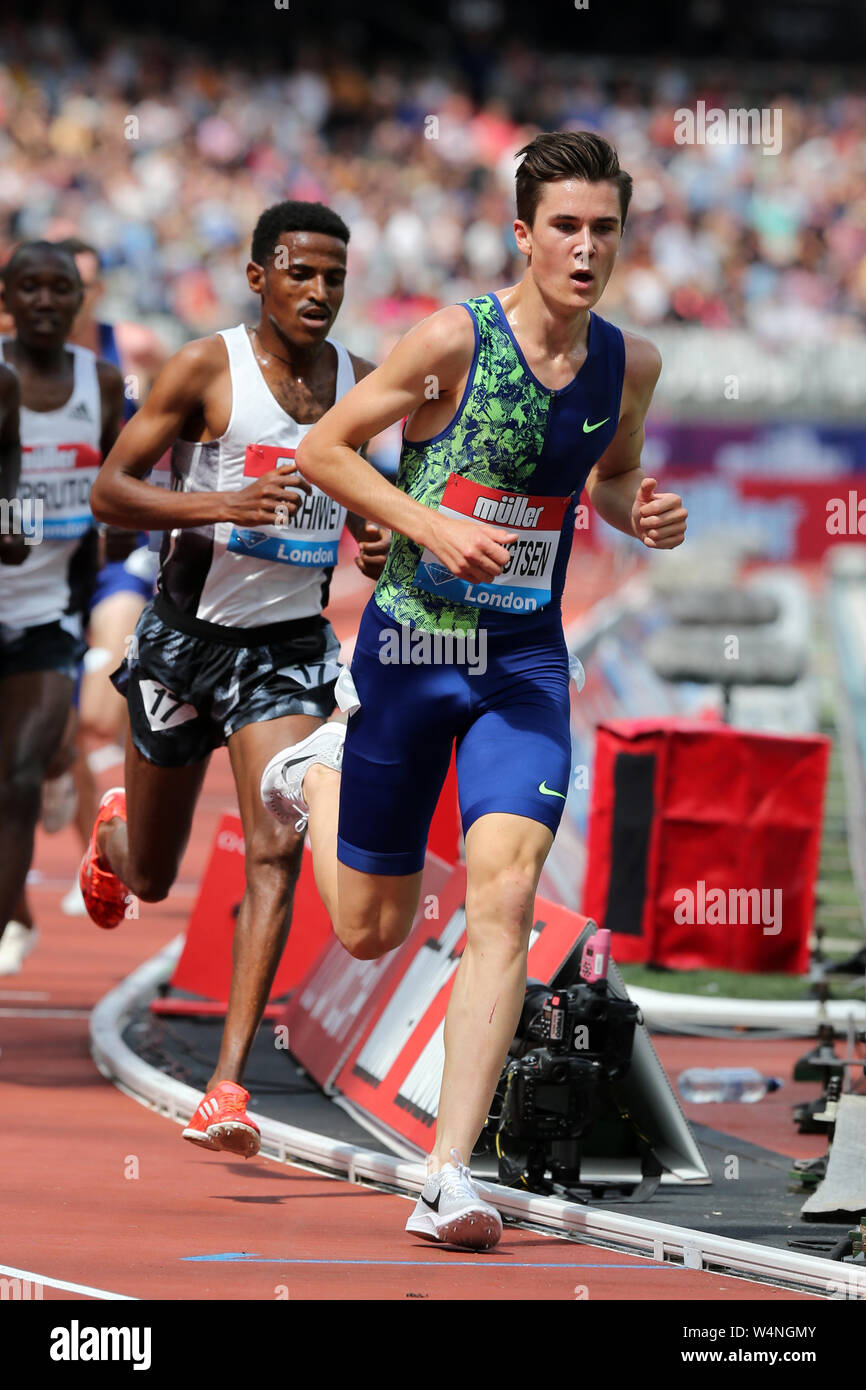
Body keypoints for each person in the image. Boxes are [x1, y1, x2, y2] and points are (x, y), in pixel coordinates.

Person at [260, 133, 687, 1248]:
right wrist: (427, 519)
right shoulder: (455, 337)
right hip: (410, 656)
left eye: (603, 228)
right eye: (564, 227)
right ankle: (315, 770)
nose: (585, 248)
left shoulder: (626, 365)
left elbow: (616, 471)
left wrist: (642, 509)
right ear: (521, 235)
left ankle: (445, 1173)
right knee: (368, 929)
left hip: (525, 669)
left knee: (502, 901)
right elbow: (324, 448)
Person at [81, 201, 389, 1156]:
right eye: (300, 273)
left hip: (288, 651)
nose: (319, 293)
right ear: (260, 277)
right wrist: (223, 501)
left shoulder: (360, 384)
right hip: (183, 639)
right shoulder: (202, 366)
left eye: (334, 278)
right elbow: (109, 492)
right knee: (157, 877)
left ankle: (226, 1086)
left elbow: (375, 507)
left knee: (275, 849)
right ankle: (116, 833)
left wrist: (377, 537)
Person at [0, 241, 124, 974]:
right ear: (7, 299)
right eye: (29, 287)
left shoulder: (102, 383)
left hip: (50, 605)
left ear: (82, 302)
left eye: (60, 288)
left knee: (17, 777)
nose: (45, 301)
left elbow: (119, 484)